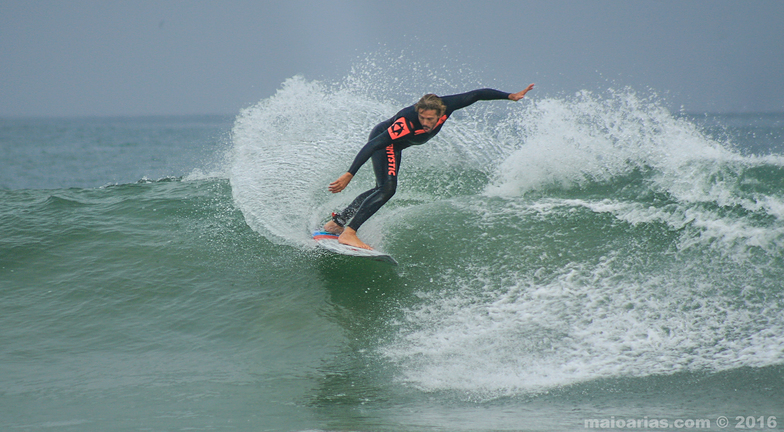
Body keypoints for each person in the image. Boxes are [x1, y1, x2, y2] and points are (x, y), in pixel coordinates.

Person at [324, 84, 536, 249]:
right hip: (385, 142)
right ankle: (349, 232)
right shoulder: (405, 122)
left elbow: (477, 94)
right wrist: (349, 174)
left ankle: (338, 223)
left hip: (396, 147)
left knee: (381, 188)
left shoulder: (446, 105)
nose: (425, 122)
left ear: (440, 113)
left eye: (430, 119)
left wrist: (510, 96)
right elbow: (374, 144)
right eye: (422, 117)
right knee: (388, 189)